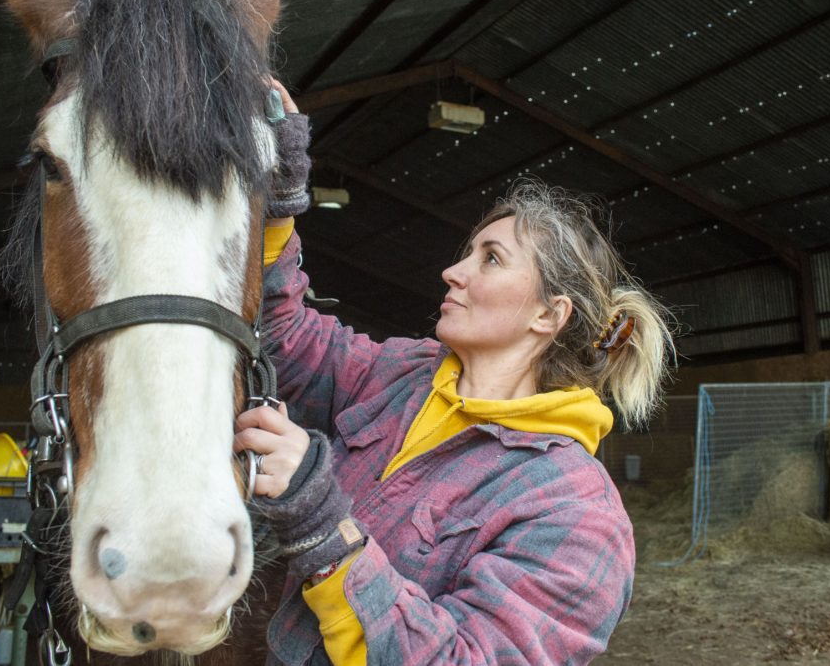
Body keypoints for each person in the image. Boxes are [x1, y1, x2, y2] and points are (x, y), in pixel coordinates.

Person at [233, 81, 675, 665]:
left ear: (549, 314)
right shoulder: (406, 375)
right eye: (468, 252)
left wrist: (321, 521)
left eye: (490, 259)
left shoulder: (574, 512)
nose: (451, 271)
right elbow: (286, 338)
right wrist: (279, 203)